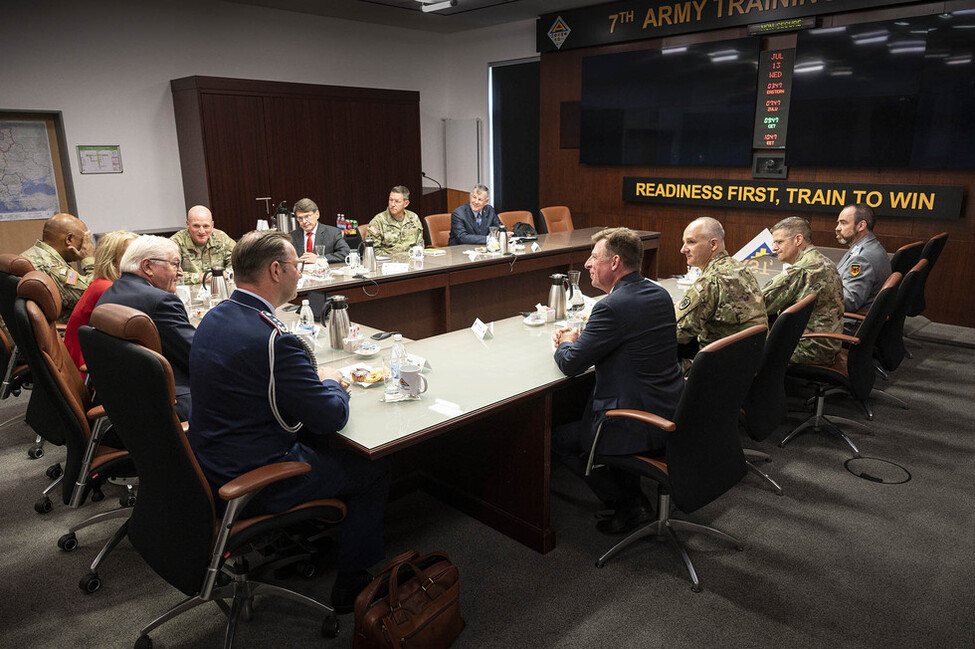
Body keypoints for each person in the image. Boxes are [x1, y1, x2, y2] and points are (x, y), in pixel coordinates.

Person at [188, 230, 389, 614]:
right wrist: (335, 385)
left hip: (208, 463)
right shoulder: (273, 339)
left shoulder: (214, 317)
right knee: (372, 468)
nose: (302, 274)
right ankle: (352, 582)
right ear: (276, 270)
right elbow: (329, 417)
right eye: (297, 265)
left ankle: (290, 538)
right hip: (254, 479)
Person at [552, 228, 684, 535]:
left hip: (633, 423)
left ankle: (628, 503)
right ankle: (629, 493)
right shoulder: (658, 293)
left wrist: (566, 341)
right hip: (669, 411)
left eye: (594, 257)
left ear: (614, 263)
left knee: (558, 441)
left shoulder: (611, 306)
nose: (587, 264)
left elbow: (571, 364)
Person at [97, 236, 195, 420]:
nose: (180, 272)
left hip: (128, 399)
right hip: (166, 403)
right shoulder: (160, 301)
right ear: (148, 266)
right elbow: (197, 353)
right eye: (175, 264)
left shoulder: (113, 291)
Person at [675, 217, 767, 365]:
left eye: (691, 242)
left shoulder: (709, 281)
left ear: (713, 244)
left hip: (720, 366)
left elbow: (678, 332)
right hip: (748, 360)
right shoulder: (741, 268)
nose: (683, 249)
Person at [763, 216, 844, 366]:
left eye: (779, 242)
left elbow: (760, 304)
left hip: (808, 349)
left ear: (798, 240)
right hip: (826, 343)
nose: (774, 248)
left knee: (740, 341)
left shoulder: (802, 270)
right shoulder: (824, 261)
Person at [64, 230, 139, 375]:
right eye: (131, 255)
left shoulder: (103, 283)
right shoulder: (108, 289)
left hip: (87, 359)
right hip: (88, 369)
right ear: (112, 259)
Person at [21, 213, 95, 323]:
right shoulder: (53, 267)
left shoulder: (33, 254)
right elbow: (94, 296)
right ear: (69, 239)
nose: (88, 246)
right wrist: (89, 261)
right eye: (84, 241)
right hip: (61, 334)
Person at [835, 203, 892, 319]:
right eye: (838, 223)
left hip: (847, 323)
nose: (837, 228)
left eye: (843, 223)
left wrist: (818, 293)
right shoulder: (870, 246)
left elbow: (849, 302)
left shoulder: (861, 259)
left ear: (861, 226)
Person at [170, 205, 237, 285]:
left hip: (219, 289)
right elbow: (169, 274)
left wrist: (225, 273)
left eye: (206, 226)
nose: (202, 231)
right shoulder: (175, 243)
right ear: (188, 224)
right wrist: (199, 278)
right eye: (196, 226)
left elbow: (239, 263)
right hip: (188, 293)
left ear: (212, 225)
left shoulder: (222, 238)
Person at [364, 186, 424, 255]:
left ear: (406, 203)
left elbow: (420, 244)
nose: (392, 204)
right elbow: (372, 250)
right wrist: (394, 260)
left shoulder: (414, 218)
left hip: (412, 261)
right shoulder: (377, 222)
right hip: (388, 263)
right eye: (391, 200)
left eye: (397, 201)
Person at [291, 198, 351, 264]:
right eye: (300, 218)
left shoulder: (333, 233)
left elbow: (345, 253)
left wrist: (319, 259)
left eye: (307, 216)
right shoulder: (291, 237)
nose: (304, 221)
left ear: (317, 214)